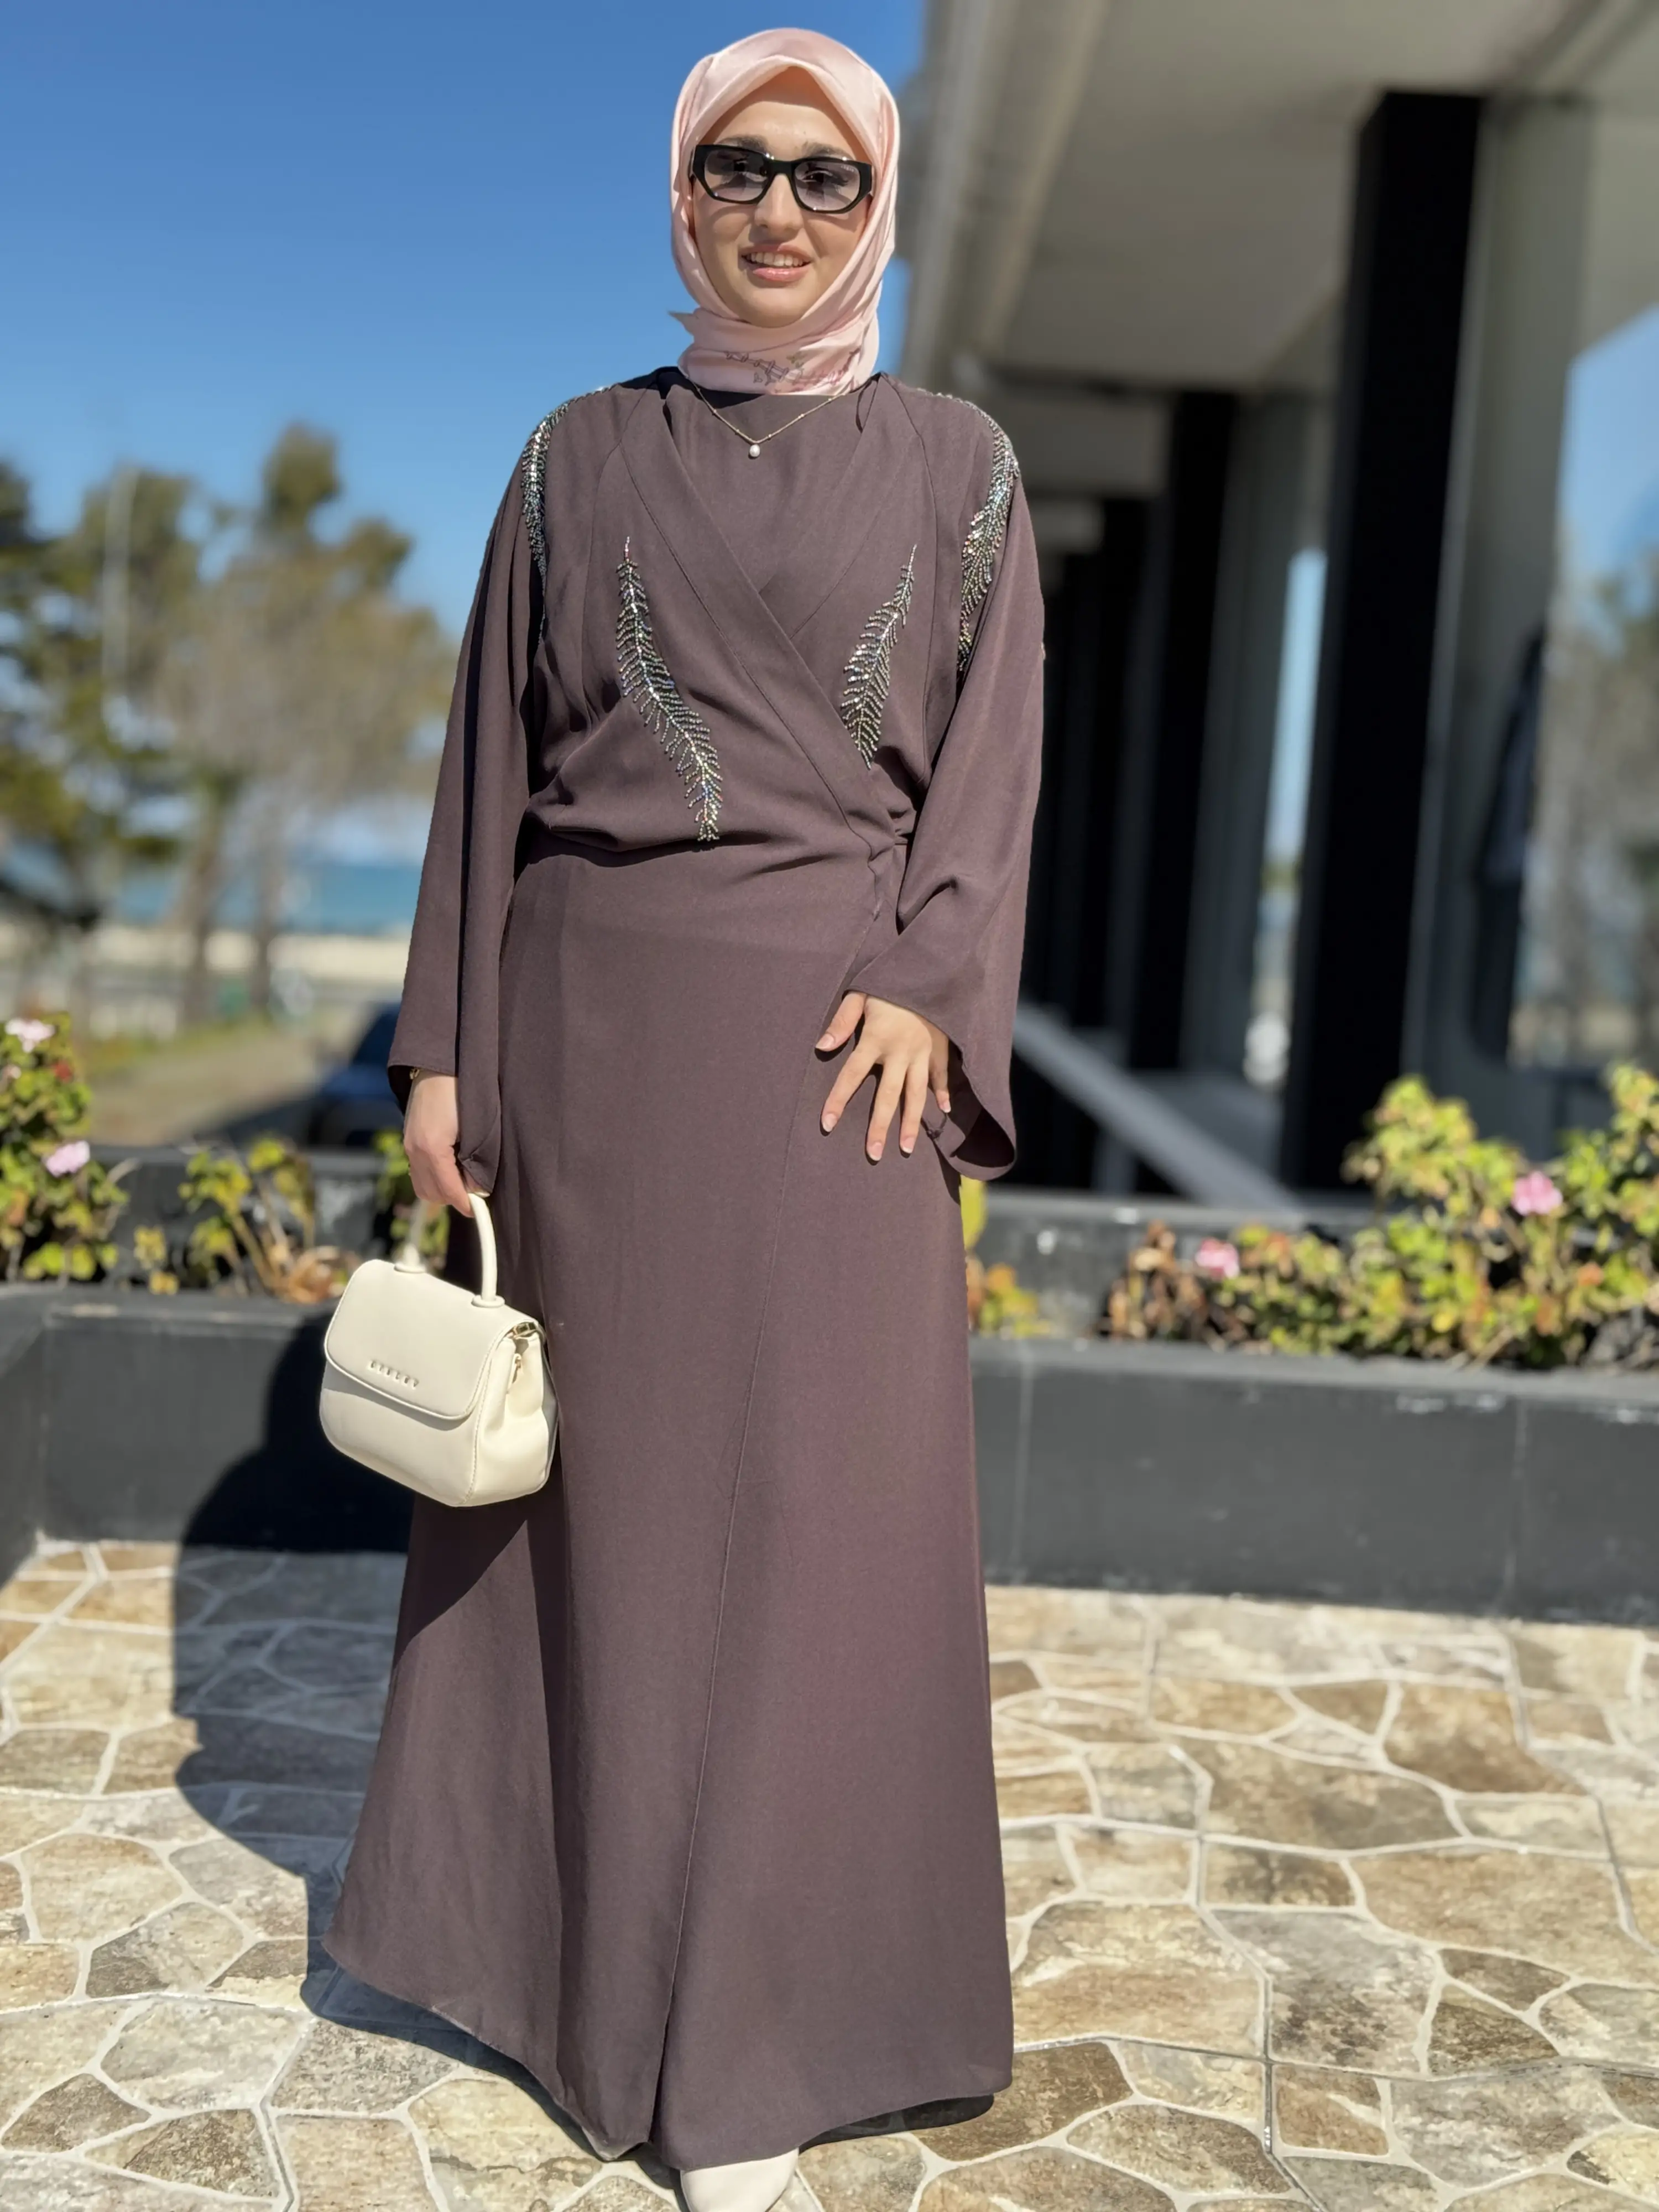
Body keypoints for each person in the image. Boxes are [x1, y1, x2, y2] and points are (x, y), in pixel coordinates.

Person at [326, 29, 1044, 2212]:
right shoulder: (572, 458)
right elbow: (484, 763)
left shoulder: (962, 467)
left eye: (828, 177)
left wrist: (933, 980)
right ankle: (567, 1977)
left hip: (840, 1059)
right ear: (678, 197)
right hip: (590, 1048)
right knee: (603, 1523)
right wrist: (446, 1048)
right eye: (738, 168)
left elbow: (994, 768)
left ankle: (757, 2034)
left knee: (817, 1524)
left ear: (880, 206)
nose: (780, 211)